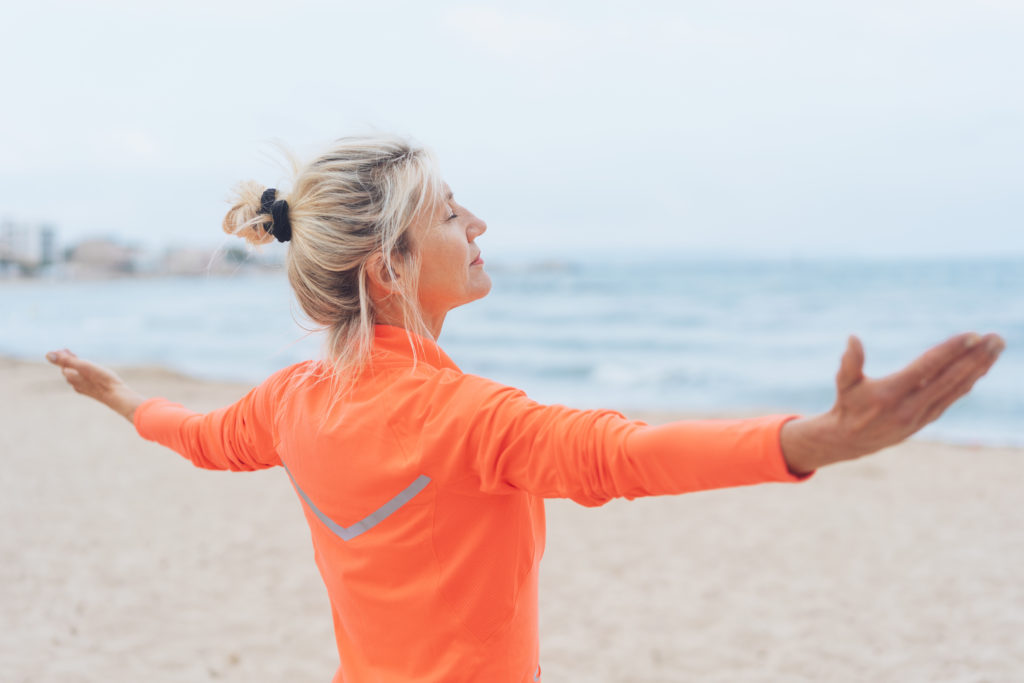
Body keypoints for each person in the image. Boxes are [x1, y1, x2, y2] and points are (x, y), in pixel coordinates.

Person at [47, 134, 1004, 683]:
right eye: (454, 213)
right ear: (389, 270)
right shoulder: (463, 419)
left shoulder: (290, 403)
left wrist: (121, 396)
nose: (480, 225)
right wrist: (811, 442)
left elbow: (199, 438)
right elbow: (626, 457)